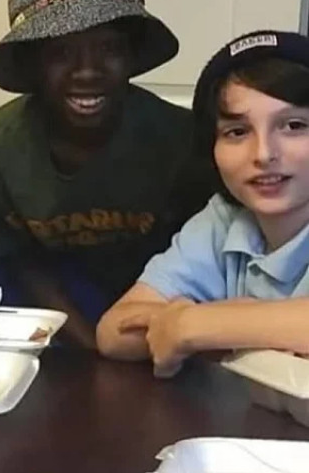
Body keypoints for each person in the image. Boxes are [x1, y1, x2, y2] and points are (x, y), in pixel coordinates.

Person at [0, 0, 214, 348]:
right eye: (61, 53)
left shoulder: (186, 142)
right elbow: (20, 263)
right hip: (51, 308)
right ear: (32, 63)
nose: (87, 70)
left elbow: (205, 264)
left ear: (131, 54)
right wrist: (91, 347)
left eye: (108, 48)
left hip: (161, 305)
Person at [97, 30, 309, 376]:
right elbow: (114, 331)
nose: (264, 154)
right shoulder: (226, 218)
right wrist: (235, 326)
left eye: (294, 125)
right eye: (237, 132)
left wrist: (197, 324)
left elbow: (186, 327)